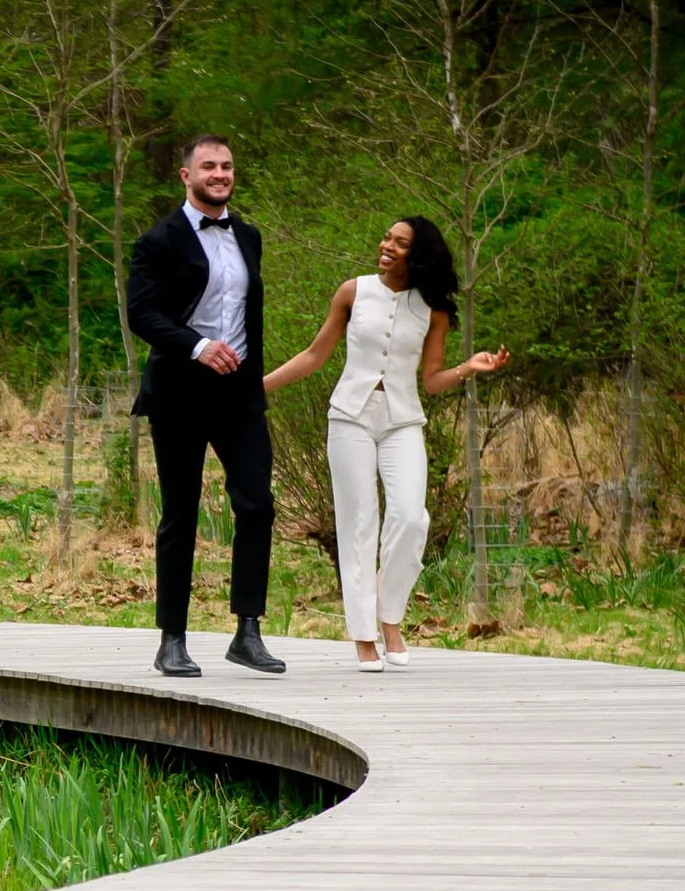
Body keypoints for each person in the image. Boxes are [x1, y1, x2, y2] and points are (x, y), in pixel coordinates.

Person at [264, 217, 508, 668]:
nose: (386, 247)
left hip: (402, 420)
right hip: (351, 416)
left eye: (400, 244)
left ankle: (389, 614)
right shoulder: (353, 292)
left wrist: (468, 368)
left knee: (411, 518)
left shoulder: (432, 310)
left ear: (417, 257)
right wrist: (257, 388)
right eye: (386, 239)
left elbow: (432, 381)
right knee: (358, 524)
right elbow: (315, 355)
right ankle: (365, 637)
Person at [127, 135, 285, 680]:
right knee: (181, 514)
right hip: (179, 391)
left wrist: (251, 379)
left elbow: (250, 312)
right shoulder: (159, 240)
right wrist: (196, 345)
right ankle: (172, 640)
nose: (220, 174)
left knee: (257, 504)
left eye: (227, 166)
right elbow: (141, 314)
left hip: (238, 393)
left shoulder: (248, 235)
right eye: (209, 166)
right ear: (185, 175)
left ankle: (247, 632)